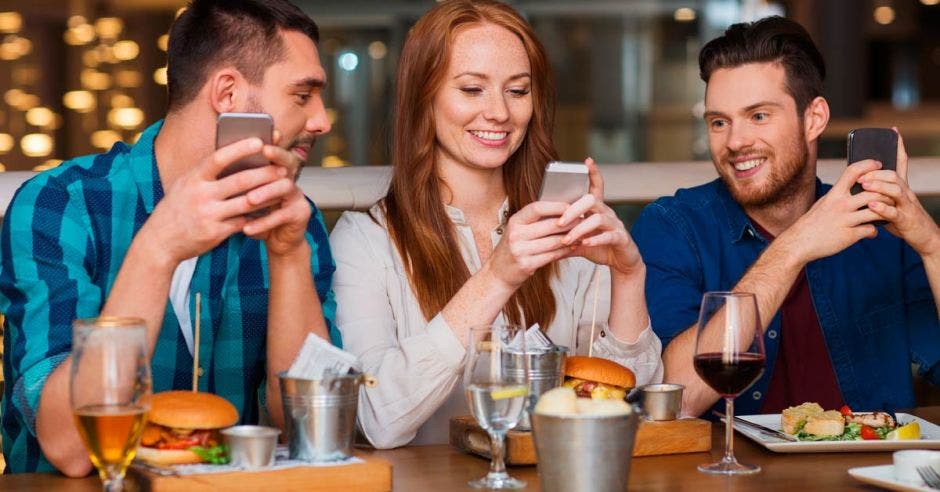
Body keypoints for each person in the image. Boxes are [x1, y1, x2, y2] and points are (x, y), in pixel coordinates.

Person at [0, 0, 339, 475]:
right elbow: (72, 447)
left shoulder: (295, 224)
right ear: (227, 93)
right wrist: (159, 247)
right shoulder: (60, 205)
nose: (323, 120)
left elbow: (311, 435)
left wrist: (288, 257)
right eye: (303, 96)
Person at [330, 0, 663, 449]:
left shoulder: (562, 225)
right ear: (423, 99)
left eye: (518, 90)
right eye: (472, 89)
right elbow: (376, 421)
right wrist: (497, 276)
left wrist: (627, 276)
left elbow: (630, 404)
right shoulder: (365, 240)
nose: (500, 113)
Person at [631, 16, 940, 419]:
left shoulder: (881, 232)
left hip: (866, 474)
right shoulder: (673, 227)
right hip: (729, 478)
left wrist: (932, 244)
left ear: (814, 118)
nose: (736, 141)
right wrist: (794, 248)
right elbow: (677, 402)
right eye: (719, 122)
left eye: (759, 116)